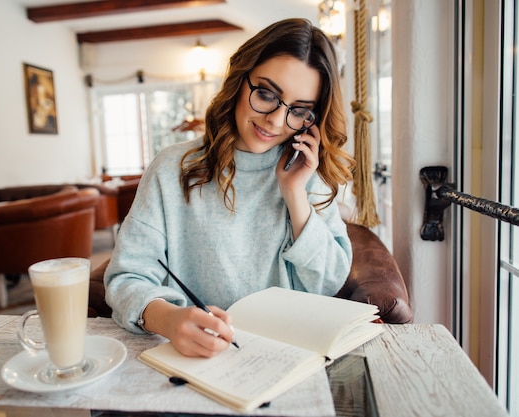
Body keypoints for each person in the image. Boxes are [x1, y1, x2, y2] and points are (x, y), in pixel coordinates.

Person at [104, 18, 355, 358]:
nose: (276, 121)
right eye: (266, 94)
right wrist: (168, 319)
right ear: (240, 80)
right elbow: (126, 276)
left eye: (299, 110)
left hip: (285, 356)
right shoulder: (172, 168)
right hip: (189, 360)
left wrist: (295, 195)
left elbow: (327, 283)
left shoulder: (307, 171)